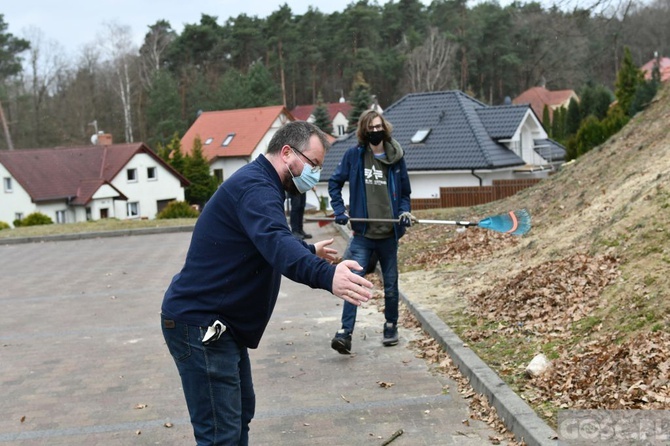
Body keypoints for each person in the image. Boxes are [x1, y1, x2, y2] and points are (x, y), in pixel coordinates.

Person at [160, 121, 373, 446]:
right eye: (313, 164)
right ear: (287, 152)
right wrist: (326, 275)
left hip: (219, 325)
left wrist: (307, 249)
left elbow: (263, 241)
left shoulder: (262, 185)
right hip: (200, 325)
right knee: (221, 435)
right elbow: (275, 241)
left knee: (240, 414)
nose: (314, 173)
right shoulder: (256, 188)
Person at [328, 109, 413, 354]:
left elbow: (405, 193)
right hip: (363, 234)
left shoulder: (395, 157)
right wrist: (339, 210)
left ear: (384, 128)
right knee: (353, 282)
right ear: (364, 131)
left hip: (389, 234)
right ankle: (345, 334)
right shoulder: (355, 156)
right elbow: (334, 183)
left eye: (378, 127)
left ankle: (390, 326)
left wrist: (404, 212)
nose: (375, 131)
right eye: (371, 128)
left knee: (390, 284)